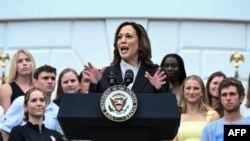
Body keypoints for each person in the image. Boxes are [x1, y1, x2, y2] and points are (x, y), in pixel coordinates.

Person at [84, 21, 170, 93]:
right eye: (119, 37)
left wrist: (159, 89)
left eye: (128, 36)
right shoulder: (105, 74)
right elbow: (93, 108)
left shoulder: (156, 73)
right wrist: (94, 85)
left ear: (140, 44)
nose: (123, 41)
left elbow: (166, 108)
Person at [0, 65, 62, 141]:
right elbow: (5, 130)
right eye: (45, 78)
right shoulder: (21, 101)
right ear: (35, 82)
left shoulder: (57, 110)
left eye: (53, 78)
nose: (50, 81)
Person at [173, 75, 220, 141]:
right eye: (188, 88)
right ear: (183, 91)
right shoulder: (176, 115)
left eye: (196, 88)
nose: (192, 92)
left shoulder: (213, 115)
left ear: (202, 92)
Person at [0, 49, 36, 113]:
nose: (24, 63)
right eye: (20, 61)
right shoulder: (6, 88)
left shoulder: (38, 86)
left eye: (27, 60)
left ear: (32, 63)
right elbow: (7, 117)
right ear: (15, 66)